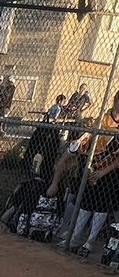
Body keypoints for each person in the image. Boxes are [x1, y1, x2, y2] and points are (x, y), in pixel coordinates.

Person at [50, 89, 119, 257]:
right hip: (91, 166)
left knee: (101, 206)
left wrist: (103, 171)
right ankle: (73, 238)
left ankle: (89, 242)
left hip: (109, 172)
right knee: (85, 204)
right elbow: (82, 142)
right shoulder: (102, 120)